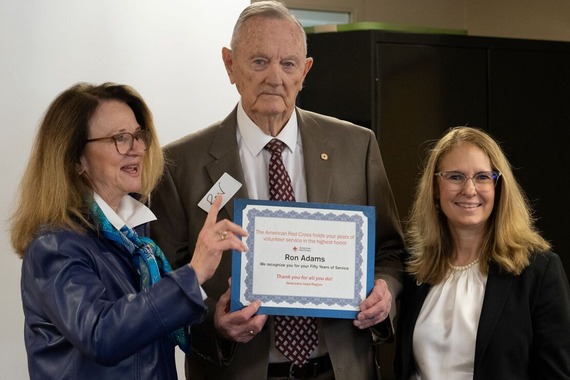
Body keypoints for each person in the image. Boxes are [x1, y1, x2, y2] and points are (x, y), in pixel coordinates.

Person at [150, 1, 405, 379]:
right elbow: (162, 283)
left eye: (288, 64)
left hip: (340, 369)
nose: (275, 77)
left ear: (305, 71)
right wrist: (214, 326)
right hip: (237, 369)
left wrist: (385, 292)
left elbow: (389, 250)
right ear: (229, 65)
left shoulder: (357, 145)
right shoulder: (178, 165)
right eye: (258, 61)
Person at [10, 82, 248, 380]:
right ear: (75, 159)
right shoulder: (55, 245)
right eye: (120, 138)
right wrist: (193, 273)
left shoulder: (137, 234)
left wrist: (217, 324)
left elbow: (149, 329)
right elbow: (102, 335)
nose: (138, 149)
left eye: (138, 135)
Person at [394, 126, 570, 379]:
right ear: (435, 187)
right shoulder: (414, 267)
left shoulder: (538, 270)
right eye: (455, 177)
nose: (469, 189)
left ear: (499, 187)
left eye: (482, 177)